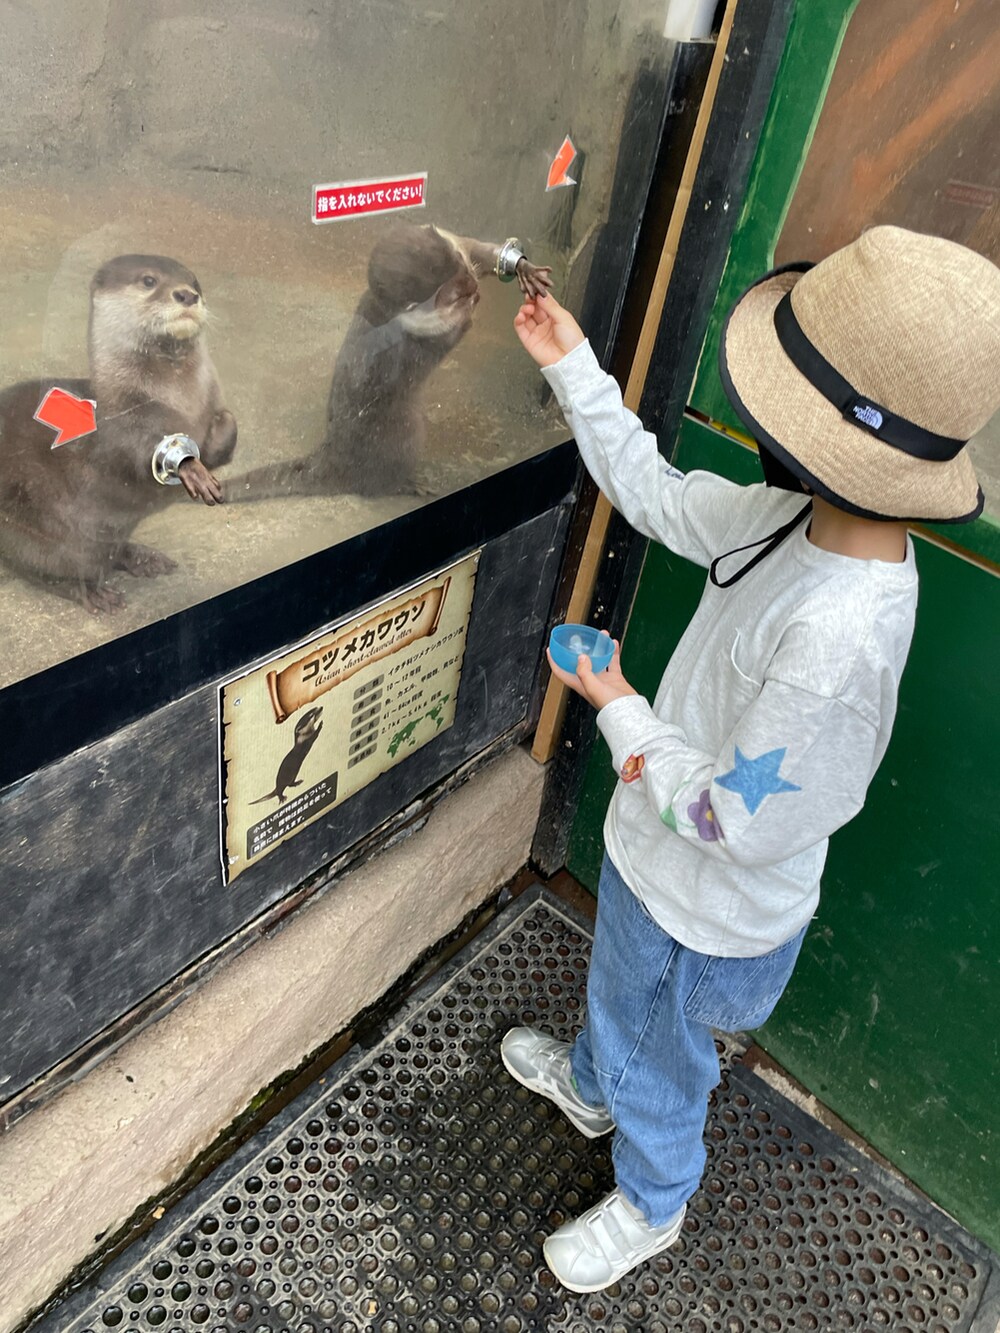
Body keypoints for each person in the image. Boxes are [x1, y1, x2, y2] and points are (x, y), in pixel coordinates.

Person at [502, 225, 1000, 1294]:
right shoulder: (794, 518)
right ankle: (593, 1084)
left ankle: (653, 1201)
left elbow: (731, 819)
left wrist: (616, 701)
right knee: (622, 1007)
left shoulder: (840, 638)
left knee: (663, 1063)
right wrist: (571, 366)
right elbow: (656, 492)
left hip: (707, 912)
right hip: (657, 862)